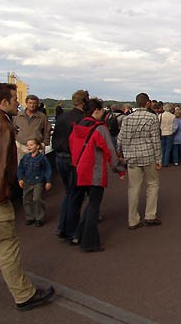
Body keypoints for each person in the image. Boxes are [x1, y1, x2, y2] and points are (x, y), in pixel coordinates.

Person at [0, 83, 55, 310]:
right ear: (3, 102)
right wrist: (2, 195)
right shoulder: (0, 126)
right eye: (15, 98)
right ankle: (24, 295)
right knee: (6, 247)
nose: (19, 102)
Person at [69, 98, 125, 252]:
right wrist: (119, 169)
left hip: (79, 169)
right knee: (94, 205)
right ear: (97, 111)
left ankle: (77, 234)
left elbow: (72, 146)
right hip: (94, 171)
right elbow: (109, 150)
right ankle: (90, 241)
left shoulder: (77, 126)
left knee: (88, 204)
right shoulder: (99, 128)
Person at [117, 93, 162, 230]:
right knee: (153, 184)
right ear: (147, 103)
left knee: (134, 188)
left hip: (132, 157)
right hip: (148, 155)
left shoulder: (127, 118)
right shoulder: (152, 117)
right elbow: (155, 140)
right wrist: (159, 159)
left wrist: (119, 152)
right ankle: (150, 215)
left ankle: (133, 220)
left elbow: (120, 138)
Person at [52, 90, 88, 241]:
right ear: (85, 102)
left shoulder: (62, 117)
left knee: (68, 193)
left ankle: (62, 227)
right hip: (73, 158)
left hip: (59, 156)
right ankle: (72, 231)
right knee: (76, 195)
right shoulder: (82, 119)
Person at [17, 139, 52, 227]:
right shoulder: (25, 157)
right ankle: (30, 217)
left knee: (37, 198)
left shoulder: (42, 158)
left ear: (37, 146)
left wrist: (48, 181)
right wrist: (20, 178)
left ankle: (39, 218)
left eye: (31, 145)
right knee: (26, 200)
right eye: (28, 145)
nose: (29, 147)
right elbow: (21, 168)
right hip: (27, 181)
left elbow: (47, 169)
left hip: (38, 181)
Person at [13, 94, 51, 162]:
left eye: (34, 103)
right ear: (26, 103)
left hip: (37, 147)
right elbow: (13, 129)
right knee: (21, 168)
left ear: (37, 104)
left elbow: (47, 130)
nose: (32, 105)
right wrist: (16, 141)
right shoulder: (18, 115)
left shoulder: (42, 117)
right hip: (21, 147)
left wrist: (44, 143)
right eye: (30, 103)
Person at [159, 103, 177, 167]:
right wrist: (172, 131)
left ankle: (161, 161)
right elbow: (175, 126)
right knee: (168, 149)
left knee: (162, 148)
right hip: (169, 133)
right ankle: (165, 162)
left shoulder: (160, 115)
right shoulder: (173, 116)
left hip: (162, 133)